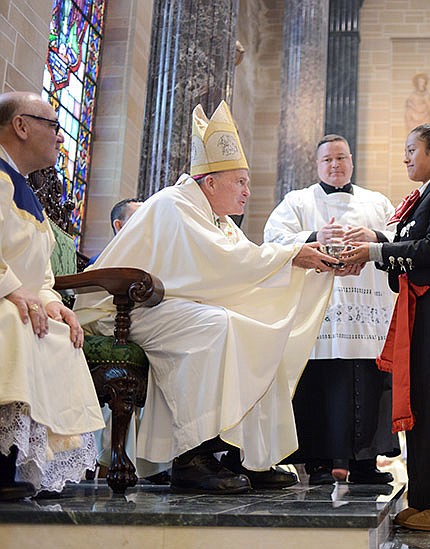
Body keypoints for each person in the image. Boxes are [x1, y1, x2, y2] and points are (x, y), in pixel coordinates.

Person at [75, 100, 338, 495]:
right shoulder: (174, 204)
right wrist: (292, 253)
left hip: (167, 307)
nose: (248, 192)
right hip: (125, 308)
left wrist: (301, 262)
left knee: (261, 333)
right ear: (209, 181)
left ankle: (249, 454)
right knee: (218, 326)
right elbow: (226, 262)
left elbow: (239, 261)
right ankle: (190, 457)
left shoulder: (218, 220)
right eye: (240, 182)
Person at [340, 123, 430, 531]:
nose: (405, 157)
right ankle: (428, 497)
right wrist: (376, 244)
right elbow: (413, 245)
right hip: (425, 304)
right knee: (422, 397)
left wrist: (374, 251)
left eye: (411, 149)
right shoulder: (428, 195)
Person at [263, 134, 399, 485]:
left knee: (369, 382)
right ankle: (320, 464)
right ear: (317, 165)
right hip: (319, 312)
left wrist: (372, 237)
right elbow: (273, 239)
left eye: (341, 158)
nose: (335, 165)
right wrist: (313, 236)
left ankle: (367, 464)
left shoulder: (376, 202)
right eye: (328, 160)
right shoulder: (298, 201)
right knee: (319, 385)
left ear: (351, 161)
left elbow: (399, 237)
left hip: (366, 310)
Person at [0, 91, 105, 500]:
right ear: (21, 126)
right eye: (53, 125)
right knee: (14, 321)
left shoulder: (24, 191)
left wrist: (52, 302)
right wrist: (14, 292)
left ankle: (28, 461)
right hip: (5, 302)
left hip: (16, 299)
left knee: (59, 332)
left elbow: (41, 272)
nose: (60, 137)